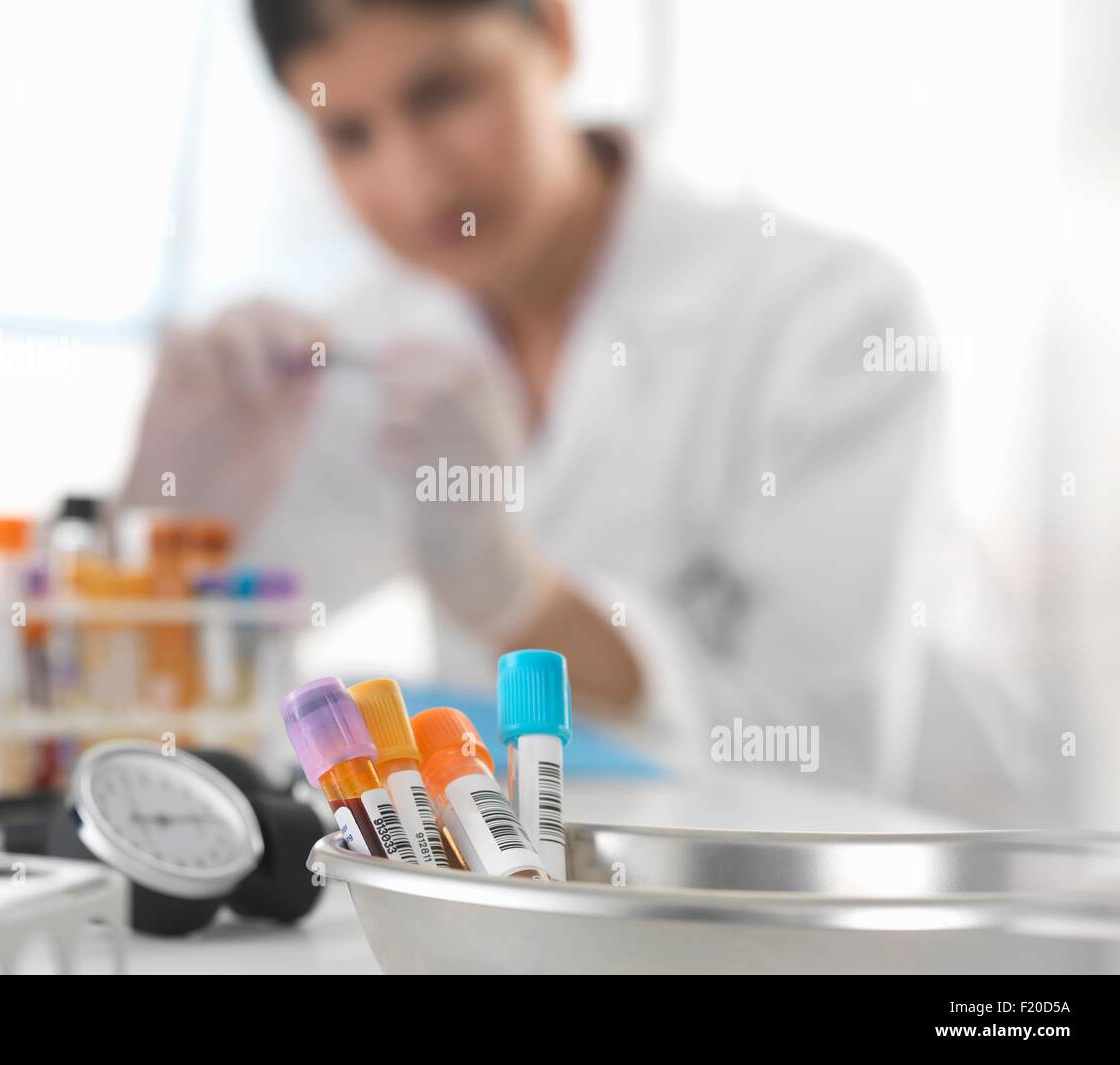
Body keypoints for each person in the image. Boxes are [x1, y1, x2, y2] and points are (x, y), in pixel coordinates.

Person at [120, 0, 941, 790]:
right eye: (348, 134)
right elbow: (166, 698)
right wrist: (170, 523)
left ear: (555, 27)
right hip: (524, 886)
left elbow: (824, 756)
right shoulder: (371, 345)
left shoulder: (831, 315)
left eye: (445, 93)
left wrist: (515, 595)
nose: (413, 180)